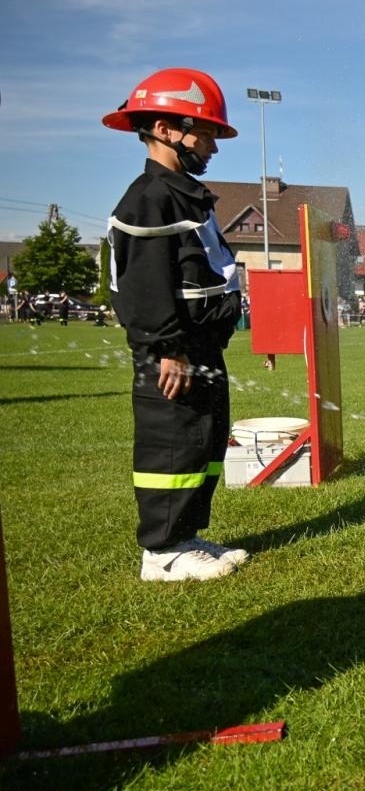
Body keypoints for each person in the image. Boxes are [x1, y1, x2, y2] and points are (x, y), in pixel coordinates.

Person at [102, 67, 248, 582]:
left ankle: (184, 537)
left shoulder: (182, 193)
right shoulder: (150, 197)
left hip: (199, 346)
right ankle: (162, 553)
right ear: (166, 130)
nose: (213, 146)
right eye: (205, 133)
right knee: (172, 443)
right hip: (173, 351)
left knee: (203, 441)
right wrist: (168, 349)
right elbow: (145, 284)